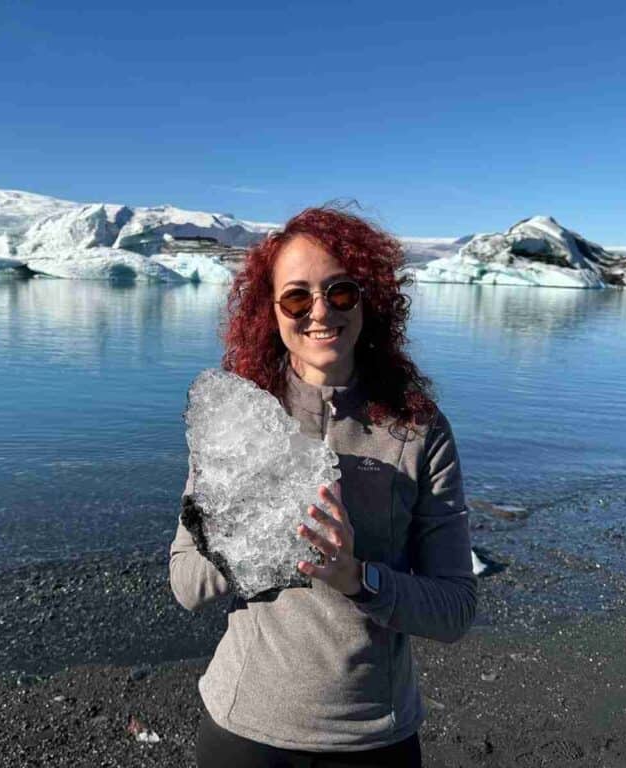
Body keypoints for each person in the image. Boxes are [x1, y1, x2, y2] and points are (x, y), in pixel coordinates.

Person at [169, 205, 476, 768]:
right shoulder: (236, 421)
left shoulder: (416, 429)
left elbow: (454, 609)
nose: (318, 312)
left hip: (372, 738)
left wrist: (358, 579)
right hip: (245, 728)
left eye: (339, 292)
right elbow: (186, 585)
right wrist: (253, 532)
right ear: (271, 310)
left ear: (369, 300)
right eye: (296, 297)